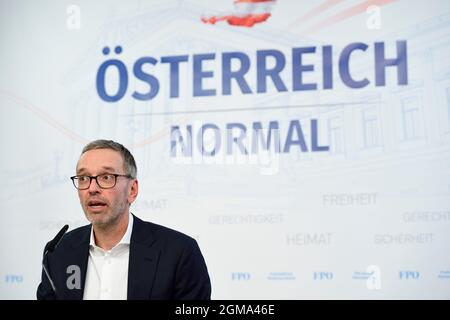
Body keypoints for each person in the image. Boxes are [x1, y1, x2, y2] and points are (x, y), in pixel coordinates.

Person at [37, 139, 211, 300]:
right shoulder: (59, 251)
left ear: (132, 190)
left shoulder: (179, 253)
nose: (92, 188)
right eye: (83, 178)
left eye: (106, 177)